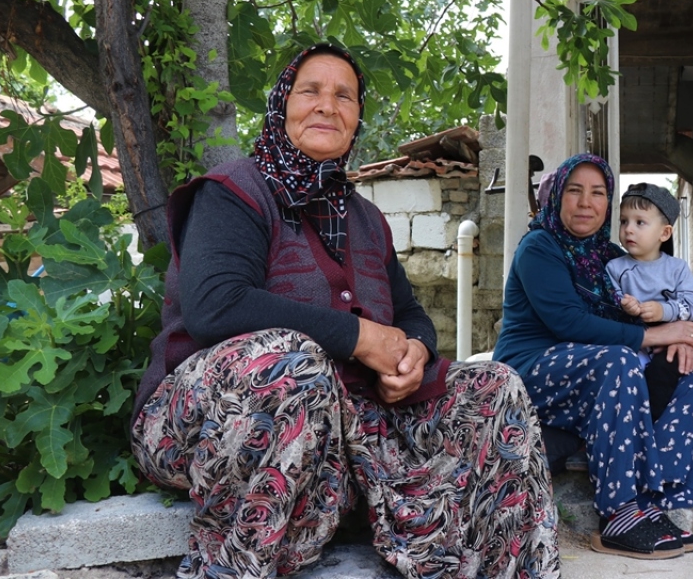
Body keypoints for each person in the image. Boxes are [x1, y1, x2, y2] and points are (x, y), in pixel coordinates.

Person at [130, 44, 558, 579]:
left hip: (349, 425)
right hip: (202, 421)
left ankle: (510, 570)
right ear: (282, 103)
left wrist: (417, 352)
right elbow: (215, 305)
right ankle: (232, 569)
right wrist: (358, 337)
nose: (327, 106)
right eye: (310, 91)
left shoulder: (366, 219)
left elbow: (409, 314)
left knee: (497, 384)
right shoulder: (236, 192)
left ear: (357, 119)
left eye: (344, 96)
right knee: (294, 360)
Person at [494, 154, 693, 561]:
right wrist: (654, 335)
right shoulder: (540, 246)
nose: (585, 202)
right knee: (620, 361)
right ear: (557, 196)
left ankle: (653, 502)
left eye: (597, 193)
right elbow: (568, 322)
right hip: (532, 371)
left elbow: (663, 307)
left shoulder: (610, 257)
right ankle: (618, 513)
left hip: (595, 376)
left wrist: (683, 336)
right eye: (575, 191)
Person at [606, 182, 693, 420]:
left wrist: (664, 311)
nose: (629, 229)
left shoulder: (676, 269)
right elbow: (609, 301)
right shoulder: (615, 267)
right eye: (624, 221)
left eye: (640, 222)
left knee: (664, 372)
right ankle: (624, 420)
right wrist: (625, 306)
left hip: (670, 344)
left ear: (665, 233)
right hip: (634, 341)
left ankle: (648, 421)